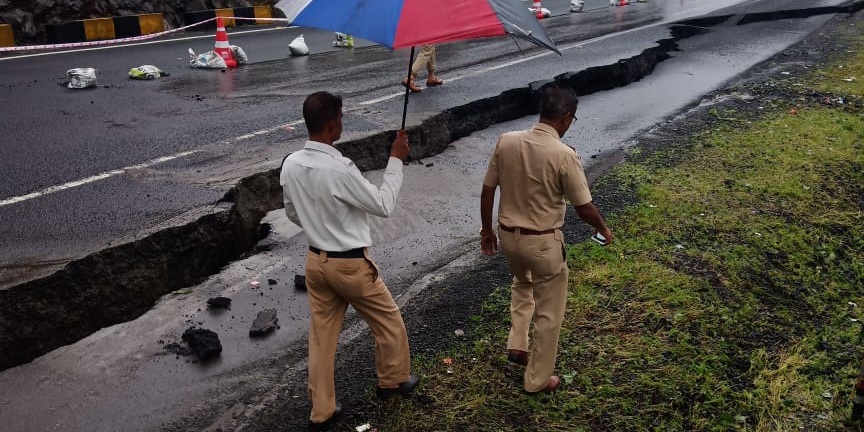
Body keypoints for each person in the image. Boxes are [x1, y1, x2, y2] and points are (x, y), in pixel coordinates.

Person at [280, 91, 420, 431]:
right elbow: (383, 204)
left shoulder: (291, 163)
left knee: (321, 340)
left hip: (316, 263)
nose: (342, 123)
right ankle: (392, 380)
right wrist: (396, 159)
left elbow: (292, 212)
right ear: (332, 124)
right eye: (341, 118)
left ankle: (322, 410)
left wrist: (320, 224)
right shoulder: (340, 168)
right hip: (351, 265)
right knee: (388, 322)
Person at [479, 86, 613, 394]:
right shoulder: (565, 156)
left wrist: (487, 231)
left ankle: (517, 343)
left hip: (509, 238)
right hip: (543, 244)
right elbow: (584, 207)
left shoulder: (507, 141)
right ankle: (537, 380)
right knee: (549, 313)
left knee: (522, 284)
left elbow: (488, 190)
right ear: (566, 118)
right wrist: (603, 229)